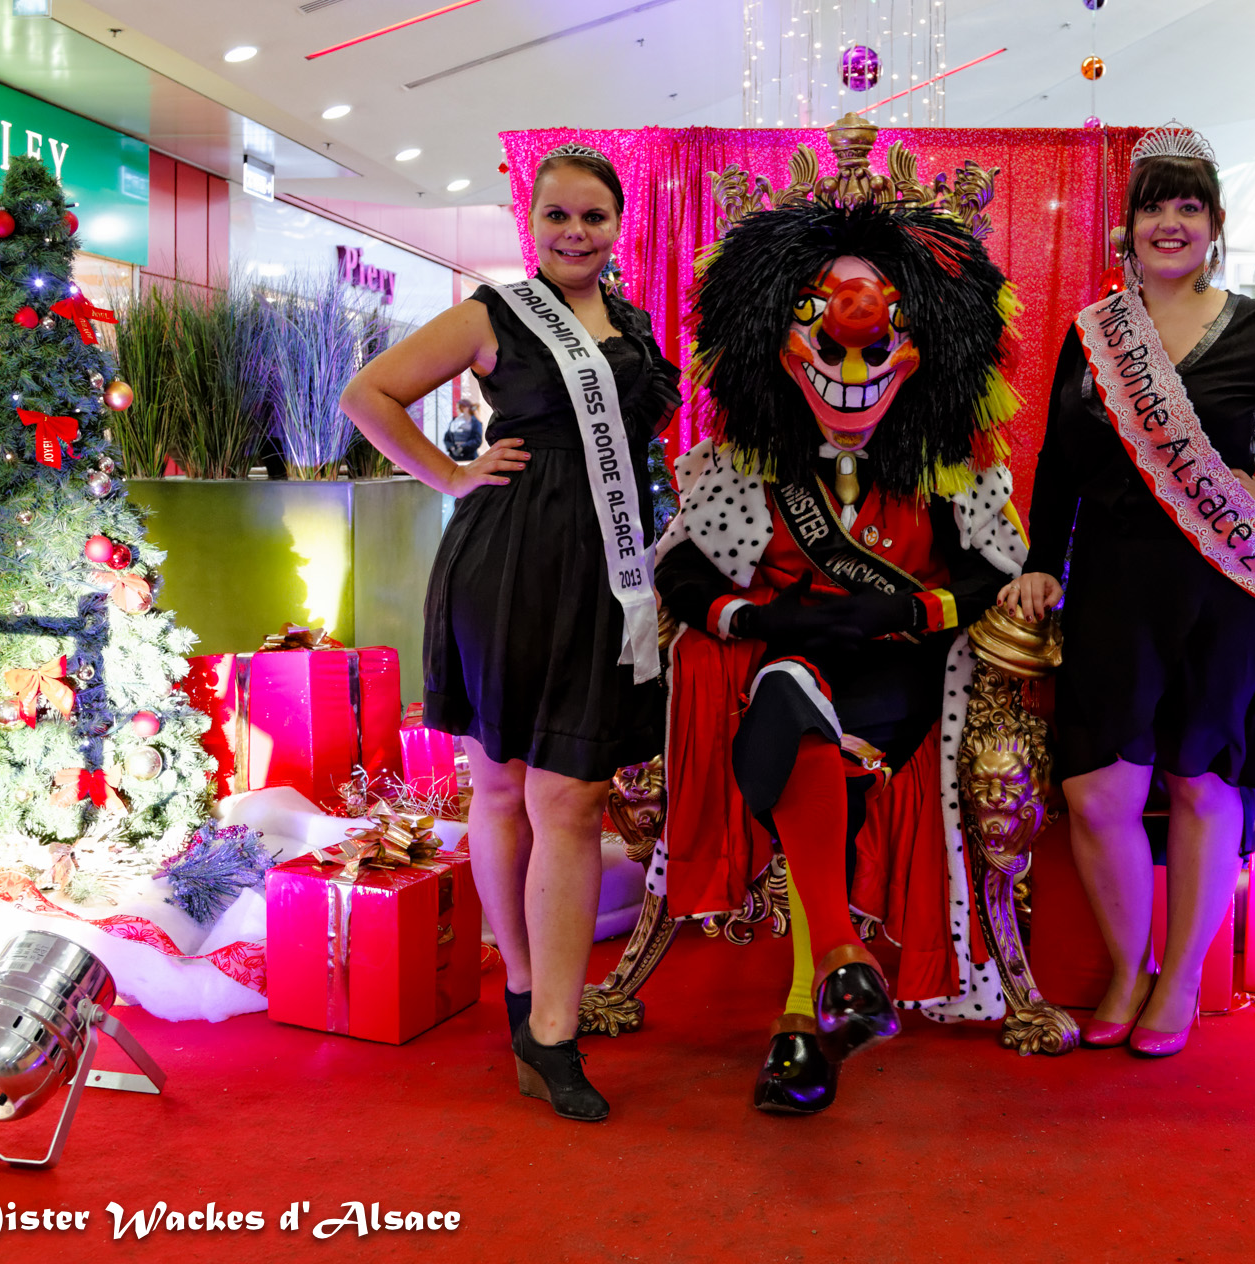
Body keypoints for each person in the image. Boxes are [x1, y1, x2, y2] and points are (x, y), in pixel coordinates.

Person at [1000, 122, 1255, 1057]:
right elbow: (1059, 459)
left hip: (1224, 585)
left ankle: (1179, 982)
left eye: (1190, 208)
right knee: (1100, 786)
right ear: (1127, 226)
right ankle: (1129, 970)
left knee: (1200, 783)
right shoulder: (1094, 334)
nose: (1170, 224)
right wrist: (1040, 561)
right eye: (1154, 207)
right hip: (1110, 579)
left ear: (1214, 227)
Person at [654, 122, 1028, 1115]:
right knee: (783, 694)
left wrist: (914, 606)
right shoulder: (740, 465)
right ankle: (825, 995)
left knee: (791, 708)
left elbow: (993, 578)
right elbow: (685, 574)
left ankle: (822, 988)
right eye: (821, 330)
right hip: (777, 666)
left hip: (895, 677)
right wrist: (754, 615)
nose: (849, 362)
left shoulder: (954, 467)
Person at [340, 145, 679, 1122]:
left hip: (607, 574)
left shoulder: (635, 327)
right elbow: (367, 396)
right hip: (509, 567)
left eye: (594, 217)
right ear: (531, 221)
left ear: (620, 225)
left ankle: (551, 1032)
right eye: (558, 216)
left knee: (568, 797)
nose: (575, 233)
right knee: (500, 786)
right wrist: (448, 477)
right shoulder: (492, 315)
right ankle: (526, 988)